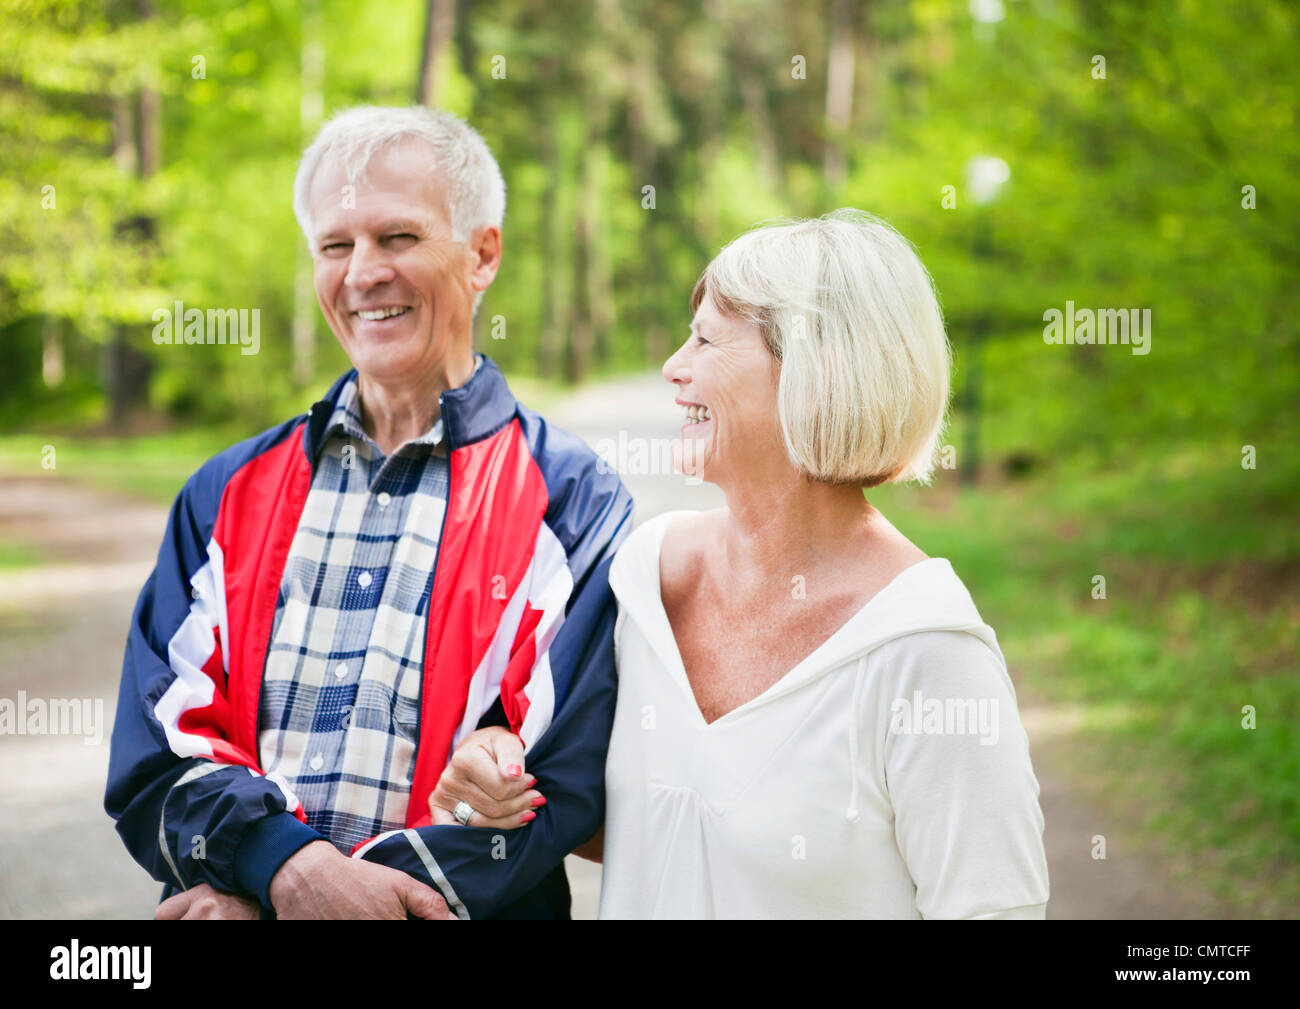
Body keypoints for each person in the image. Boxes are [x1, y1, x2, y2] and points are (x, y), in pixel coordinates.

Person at [432, 210, 1052, 919]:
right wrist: (495, 763)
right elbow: (629, 824)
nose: (674, 366)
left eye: (705, 339)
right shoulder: (644, 576)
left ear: (818, 369)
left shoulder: (927, 649)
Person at [104, 105, 633, 920]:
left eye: (398, 238)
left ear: (482, 253)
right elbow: (156, 753)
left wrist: (297, 897)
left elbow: (555, 781)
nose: (362, 274)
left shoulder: (575, 502)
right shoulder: (224, 491)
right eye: (335, 245)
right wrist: (279, 864)